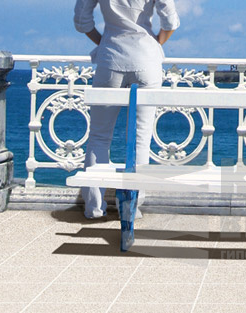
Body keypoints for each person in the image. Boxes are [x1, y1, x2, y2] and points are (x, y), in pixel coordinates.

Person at [74, 0, 179, 219]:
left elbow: (82, 21)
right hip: (147, 61)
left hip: (110, 58)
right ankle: (131, 206)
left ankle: (94, 207)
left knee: (99, 137)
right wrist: (155, 44)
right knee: (141, 139)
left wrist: (105, 42)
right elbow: (169, 21)